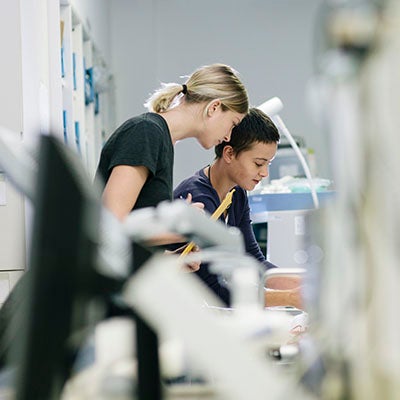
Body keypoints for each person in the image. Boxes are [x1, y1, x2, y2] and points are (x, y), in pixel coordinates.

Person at [95, 63, 249, 270]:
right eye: (233, 124)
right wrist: (182, 227)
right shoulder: (146, 132)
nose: (228, 137)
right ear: (214, 108)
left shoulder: (164, 141)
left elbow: (132, 240)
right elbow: (109, 226)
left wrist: (176, 258)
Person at [173, 108, 303, 308]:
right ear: (229, 153)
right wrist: (290, 298)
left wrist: (302, 286)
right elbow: (213, 291)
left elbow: (253, 258)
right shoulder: (198, 199)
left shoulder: (236, 193)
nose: (265, 173)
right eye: (259, 164)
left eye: (268, 164)